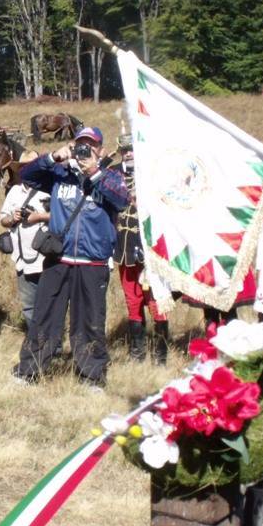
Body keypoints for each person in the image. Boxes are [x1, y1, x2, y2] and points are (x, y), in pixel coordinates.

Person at [11, 126, 128, 389]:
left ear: (100, 149)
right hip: (58, 258)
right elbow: (26, 175)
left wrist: (94, 172)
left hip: (93, 261)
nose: (85, 150)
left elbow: (122, 200)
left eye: (91, 146)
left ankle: (91, 376)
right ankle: (29, 370)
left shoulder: (110, 177)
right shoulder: (60, 174)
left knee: (90, 321)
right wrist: (53, 157)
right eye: (80, 145)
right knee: (45, 316)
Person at [111, 137, 168, 363]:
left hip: (151, 248)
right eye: (124, 150)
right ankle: (137, 354)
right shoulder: (113, 174)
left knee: (157, 301)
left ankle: (161, 355)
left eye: (132, 149)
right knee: (132, 300)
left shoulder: (155, 173)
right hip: (124, 246)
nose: (128, 153)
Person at [0, 151, 51, 329]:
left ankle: (51, 344)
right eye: (24, 167)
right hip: (22, 258)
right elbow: (3, 220)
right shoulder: (13, 191)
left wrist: (39, 217)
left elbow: (62, 217)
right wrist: (12, 218)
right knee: (29, 305)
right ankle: (35, 340)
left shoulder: (49, 189)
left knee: (49, 304)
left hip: (46, 257)